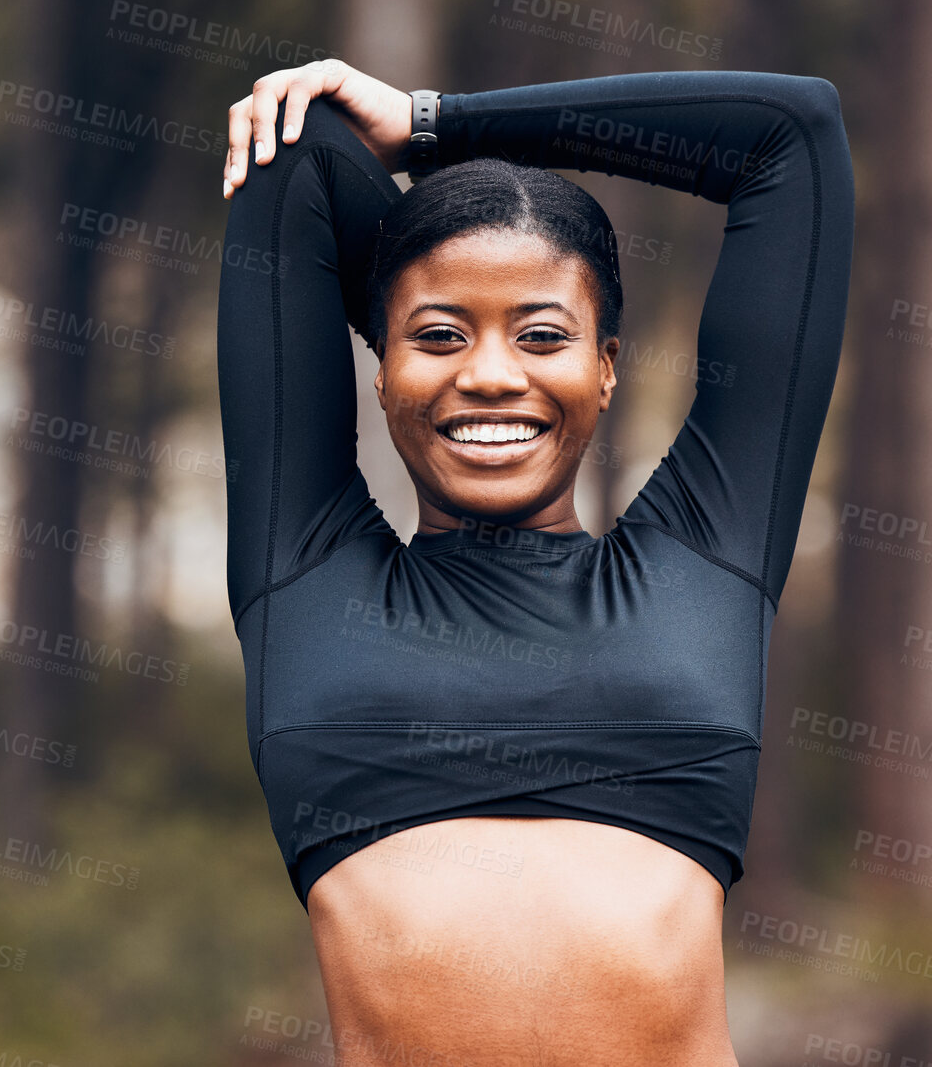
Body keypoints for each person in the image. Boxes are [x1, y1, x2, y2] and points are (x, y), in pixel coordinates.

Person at [216, 59, 853, 1065]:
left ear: (605, 370)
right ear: (380, 372)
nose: (491, 373)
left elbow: (792, 132)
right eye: (439, 336)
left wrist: (435, 124)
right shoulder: (304, 580)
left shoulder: (704, 569)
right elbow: (296, 151)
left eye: (543, 334)